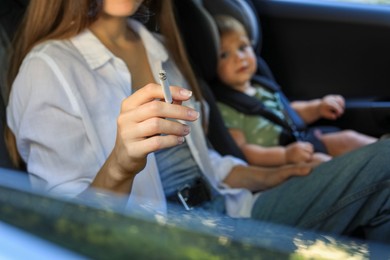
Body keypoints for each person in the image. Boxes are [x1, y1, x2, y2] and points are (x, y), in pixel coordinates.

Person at [5, 0, 390, 244]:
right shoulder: (47, 70)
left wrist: (271, 174)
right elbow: (60, 230)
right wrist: (121, 165)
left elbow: (205, 164)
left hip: (232, 213)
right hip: (161, 242)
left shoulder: (154, 43)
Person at [213, 15, 377, 167]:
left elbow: (289, 113)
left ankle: (383, 152)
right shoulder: (225, 108)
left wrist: (318, 107)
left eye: (242, 47)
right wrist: (284, 155)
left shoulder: (260, 85)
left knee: (347, 139)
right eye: (224, 55)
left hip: (300, 143)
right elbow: (244, 151)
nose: (239, 57)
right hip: (279, 162)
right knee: (323, 163)